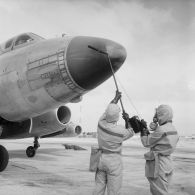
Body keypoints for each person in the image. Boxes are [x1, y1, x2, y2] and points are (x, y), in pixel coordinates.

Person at [93, 91, 134, 195]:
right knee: (114, 190)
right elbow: (130, 131)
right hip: (113, 161)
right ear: (117, 116)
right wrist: (127, 119)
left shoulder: (101, 123)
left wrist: (115, 98)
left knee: (98, 188)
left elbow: (108, 110)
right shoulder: (119, 131)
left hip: (100, 158)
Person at [140, 105, 179, 195]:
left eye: (157, 114)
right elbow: (159, 140)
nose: (156, 117)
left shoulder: (161, 129)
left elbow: (146, 142)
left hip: (158, 164)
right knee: (164, 190)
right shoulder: (173, 129)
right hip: (168, 162)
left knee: (159, 192)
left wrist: (143, 130)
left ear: (162, 115)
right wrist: (154, 127)